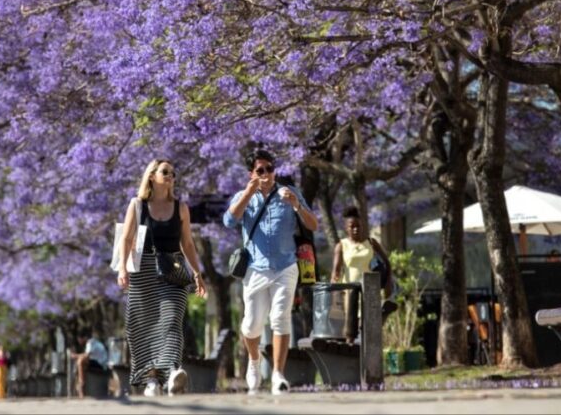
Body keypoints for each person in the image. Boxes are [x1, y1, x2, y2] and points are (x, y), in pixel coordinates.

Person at [223, 148, 318, 395]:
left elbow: (313, 224)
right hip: (255, 269)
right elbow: (230, 221)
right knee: (252, 325)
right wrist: (248, 192)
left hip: (286, 266)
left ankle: (278, 374)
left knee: (280, 318)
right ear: (251, 173)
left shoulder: (289, 194)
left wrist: (297, 205)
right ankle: (254, 361)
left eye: (270, 168)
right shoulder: (244, 196)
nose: (266, 173)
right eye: (260, 170)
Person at [117, 158, 207, 397]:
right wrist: (122, 269)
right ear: (152, 176)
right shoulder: (137, 205)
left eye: (173, 173)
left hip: (173, 270)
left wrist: (197, 272)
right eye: (165, 172)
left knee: (171, 320)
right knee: (141, 326)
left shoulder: (181, 207)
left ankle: (172, 371)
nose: (170, 176)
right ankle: (151, 380)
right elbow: (126, 239)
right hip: (143, 269)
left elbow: (187, 243)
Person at [331, 207, 396, 320]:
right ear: (346, 228)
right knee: (350, 330)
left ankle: (385, 309)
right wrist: (334, 296)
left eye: (358, 226)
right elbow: (335, 273)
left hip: (370, 291)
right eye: (352, 226)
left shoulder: (371, 243)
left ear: (362, 226)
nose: (355, 229)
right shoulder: (341, 245)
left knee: (370, 326)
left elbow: (387, 262)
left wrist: (388, 281)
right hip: (350, 292)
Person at [72, 330, 109, 398]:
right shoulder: (94, 342)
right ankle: (80, 383)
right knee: (80, 361)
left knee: (81, 361)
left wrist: (75, 356)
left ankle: (81, 385)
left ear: (84, 338)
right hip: (99, 363)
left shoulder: (90, 343)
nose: (79, 342)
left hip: (101, 364)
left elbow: (86, 355)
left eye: (80, 339)